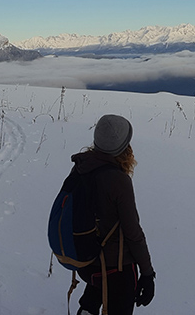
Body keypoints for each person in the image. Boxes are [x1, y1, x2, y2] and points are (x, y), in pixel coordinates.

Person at [72, 114, 156, 314]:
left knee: (93, 296)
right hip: (116, 268)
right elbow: (133, 233)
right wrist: (147, 273)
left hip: (86, 260)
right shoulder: (118, 181)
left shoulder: (81, 167)